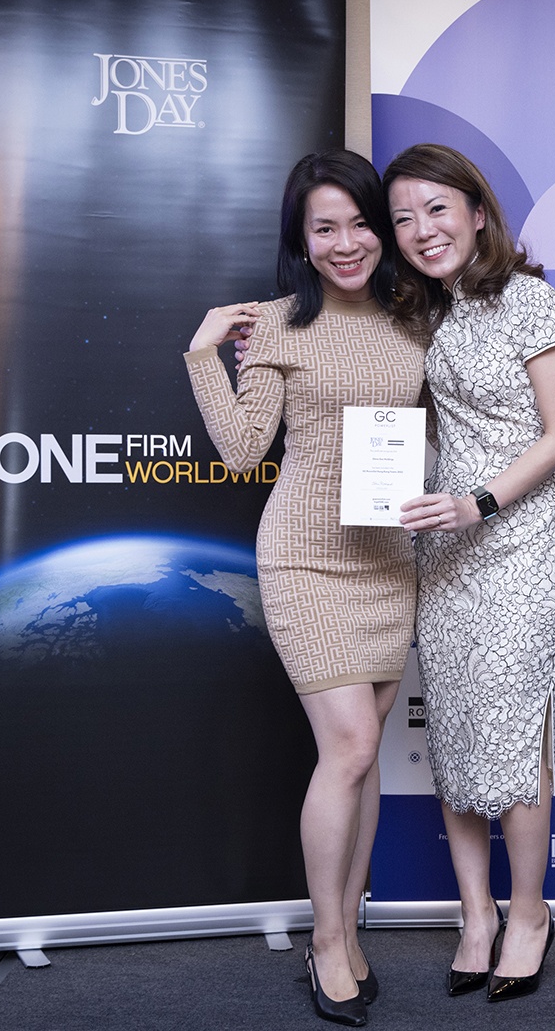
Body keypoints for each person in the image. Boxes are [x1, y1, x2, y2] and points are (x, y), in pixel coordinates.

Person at [185, 149, 428, 1027]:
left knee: (362, 761)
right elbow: (243, 450)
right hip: (305, 557)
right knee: (351, 746)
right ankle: (325, 941)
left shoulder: (416, 317)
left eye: (361, 223)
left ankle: (348, 930)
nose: (346, 243)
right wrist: (202, 354)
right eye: (325, 228)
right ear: (300, 239)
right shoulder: (278, 325)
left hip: (388, 557)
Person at [385, 143, 555, 1002]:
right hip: (444, 553)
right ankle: (476, 916)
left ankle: (529, 913)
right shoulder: (426, 314)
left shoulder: (531, 300)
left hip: (519, 545)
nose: (422, 229)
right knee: (456, 736)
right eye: (403, 217)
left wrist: (481, 503)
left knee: (512, 734)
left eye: (437, 208)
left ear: (476, 212)